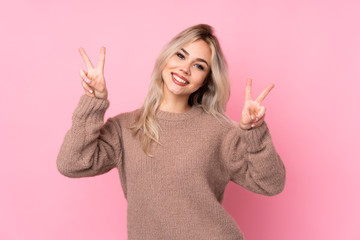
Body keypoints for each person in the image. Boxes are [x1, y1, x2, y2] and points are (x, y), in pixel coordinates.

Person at [57, 24, 286, 240]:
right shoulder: (125, 128)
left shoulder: (220, 131)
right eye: (180, 55)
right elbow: (73, 163)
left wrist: (253, 132)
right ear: (166, 58)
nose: (185, 68)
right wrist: (94, 101)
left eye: (199, 65)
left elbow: (271, 184)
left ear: (205, 80)